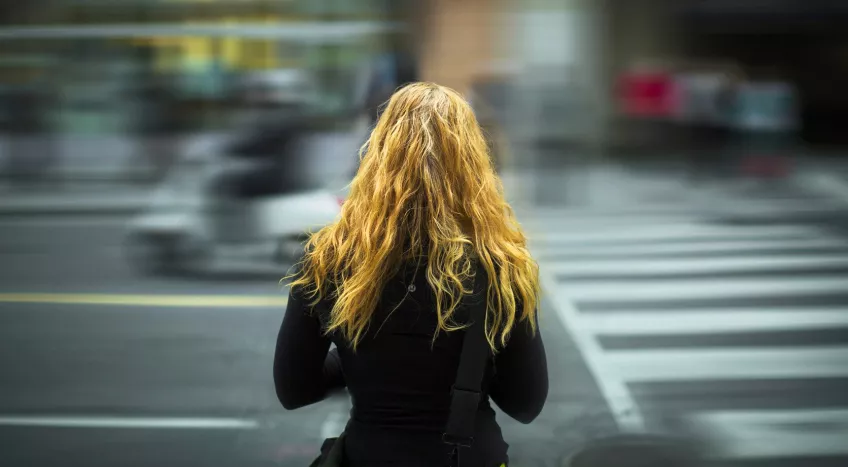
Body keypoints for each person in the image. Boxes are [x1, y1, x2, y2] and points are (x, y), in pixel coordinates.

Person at [274, 82, 548, 467]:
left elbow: (294, 389)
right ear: (473, 162)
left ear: (377, 154)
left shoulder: (329, 257)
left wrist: (360, 358)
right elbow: (526, 403)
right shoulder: (498, 264)